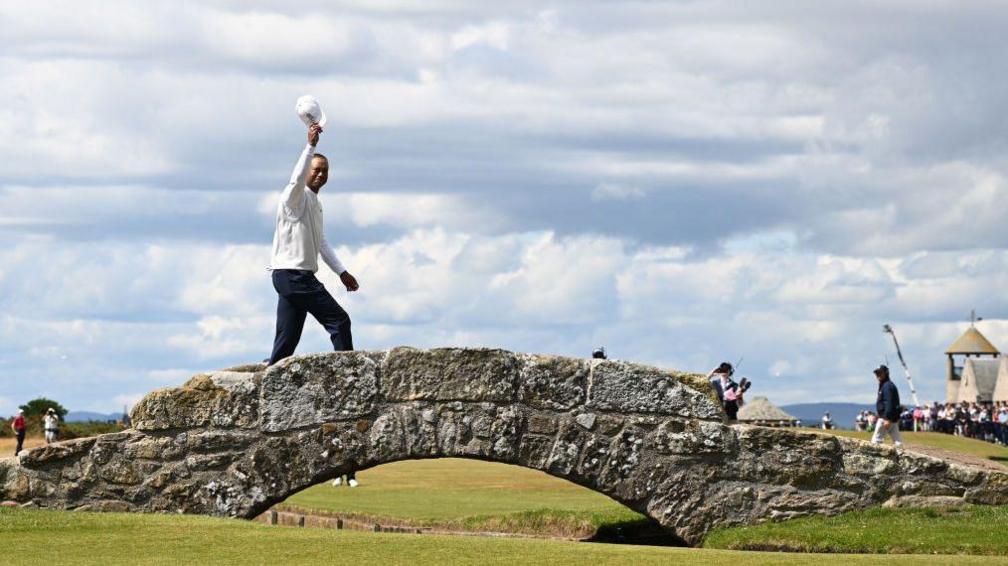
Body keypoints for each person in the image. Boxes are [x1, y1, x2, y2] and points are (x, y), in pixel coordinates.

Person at [267, 122, 360, 365]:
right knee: (339, 321)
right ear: (306, 169)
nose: (321, 174)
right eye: (316, 169)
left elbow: (321, 242)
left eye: (325, 170)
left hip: (289, 278)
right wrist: (310, 146)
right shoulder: (294, 199)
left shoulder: (316, 204)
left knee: (286, 340)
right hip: (295, 276)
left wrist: (342, 272)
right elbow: (295, 180)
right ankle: (349, 375)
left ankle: (267, 381)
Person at [871, 365, 902, 448]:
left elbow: (889, 402)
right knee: (898, 442)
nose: (878, 375)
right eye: (876, 373)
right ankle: (902, 458)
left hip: (886, 418)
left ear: (886, 373)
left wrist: (887, 418)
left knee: (876, 441)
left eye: (880, 373)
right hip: (891, 418)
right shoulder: (886, 385)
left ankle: (874, 459)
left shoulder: (887, 386)